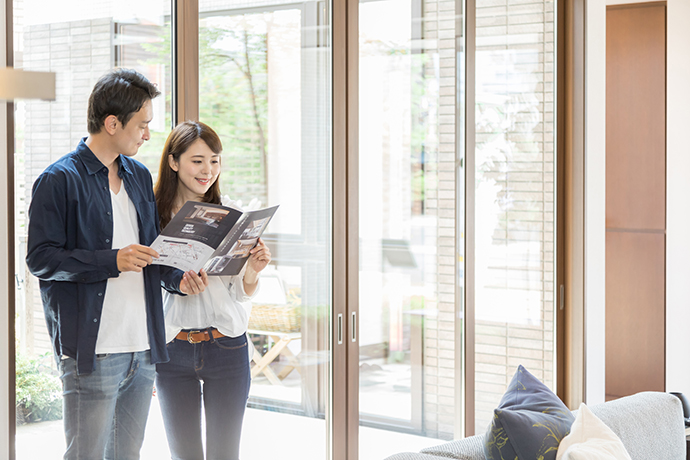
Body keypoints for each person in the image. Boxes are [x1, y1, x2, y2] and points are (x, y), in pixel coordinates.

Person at [25, 68, 209, 460]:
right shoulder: (58, 180)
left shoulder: (140, 177)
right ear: (112, 123)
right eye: (142, 125)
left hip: (143, 348)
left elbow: (150, 254)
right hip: (93, 352)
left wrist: (179, 279)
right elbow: (41, 259)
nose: (147, 134)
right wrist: (113, 260)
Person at [153, 121, 272, 460]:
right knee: (185, 454)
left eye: (215, 160)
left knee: (225, 454)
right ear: (174, 162)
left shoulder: (233, 213)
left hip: (227, 348)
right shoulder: (153, 216)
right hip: (172, 350)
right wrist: (177, 283)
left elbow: (241, 293)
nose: (208, 170)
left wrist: (253, 270)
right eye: (198, 160)